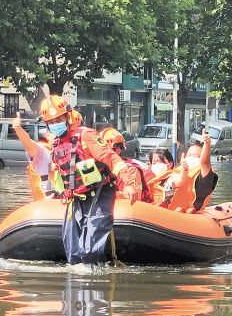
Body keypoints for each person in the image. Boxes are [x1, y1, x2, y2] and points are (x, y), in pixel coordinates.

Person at [40, 95, 140, 264]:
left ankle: (96, 280)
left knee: (90, 250)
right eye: (52, 121)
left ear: (68, 116)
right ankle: (76, 285)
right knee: (73, 252)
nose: (56, 123)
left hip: (99, 194)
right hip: (75, 200)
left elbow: (112, 159)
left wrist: (129, 184)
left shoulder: (85, 136)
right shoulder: (57, 144)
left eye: (59, 118)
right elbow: (60, 176)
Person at [99, 127, 152, 203]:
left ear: (117, 150)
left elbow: (134, 198)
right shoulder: (99, 169)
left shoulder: (131, 170)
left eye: (104, 151)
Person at [12, 113, 54, 201]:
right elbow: (28, 143)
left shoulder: (69, 150)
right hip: (46, 206)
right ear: (47, 135)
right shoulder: (42, 151)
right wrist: (18, 130)